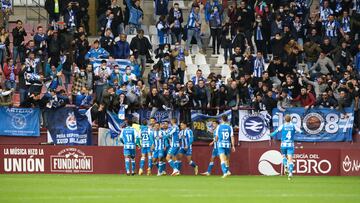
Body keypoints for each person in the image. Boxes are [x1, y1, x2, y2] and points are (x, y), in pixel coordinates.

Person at [270, 114, 302, 180]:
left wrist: (270, 134)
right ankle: (290, 173)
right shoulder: (293, 126)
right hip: (290, 144)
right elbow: (301, 132)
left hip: (283, 144)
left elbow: (275, 132)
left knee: (284, 156)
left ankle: (286, 165)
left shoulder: (283, 125)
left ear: (285, 119)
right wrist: (296, 132)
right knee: (290, 159)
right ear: (291, 119)